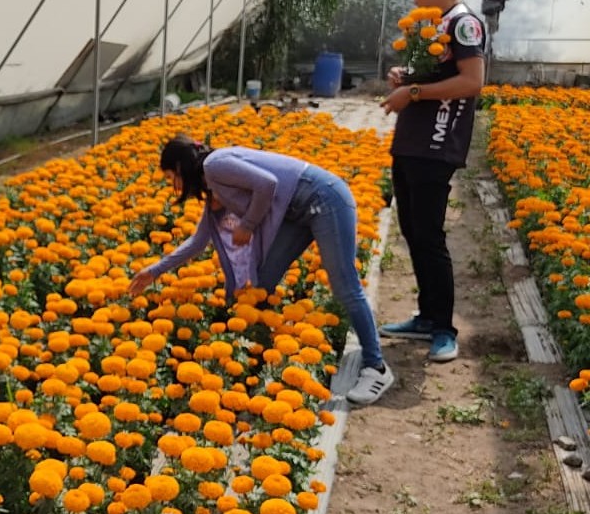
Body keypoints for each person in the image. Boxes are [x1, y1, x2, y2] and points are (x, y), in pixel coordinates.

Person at [127, 135, 395, 405]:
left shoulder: (214, 164)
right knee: (260, 285)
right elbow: (198, 242)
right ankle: (258, 357)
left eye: (172, 175)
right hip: (298, 213)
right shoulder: (215, 191)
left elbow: (268, 184)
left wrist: (248, 224)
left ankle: (376, 367)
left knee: (344, 285)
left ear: (181, 166)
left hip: (324, 198)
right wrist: (154, 271)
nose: (174, 184)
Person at [379, 0, 486, 362]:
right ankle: (426, 317)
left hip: (437, 144)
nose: (413, 0)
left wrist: (415, 93)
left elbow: (472, 82)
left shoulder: (463, 23)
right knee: (413, 232)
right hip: (412, 141)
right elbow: (436, 74)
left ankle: (444, 328)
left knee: (429, 236)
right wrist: (405, 78)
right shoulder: (433, 26)